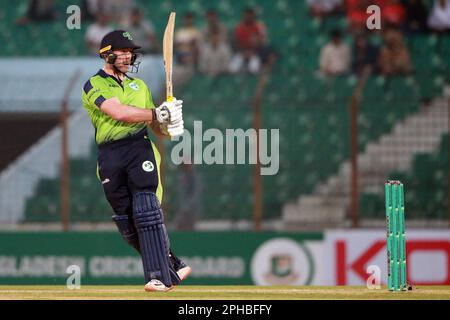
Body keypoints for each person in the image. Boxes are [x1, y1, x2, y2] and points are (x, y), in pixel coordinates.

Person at [81, 30, 191, 292]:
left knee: (145, 209)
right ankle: (173, 264)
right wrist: (156, 112)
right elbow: (117, 112)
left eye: (131, 52)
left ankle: (155, 276)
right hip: (108, 154)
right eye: (124, 51)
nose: (129, 56)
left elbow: (155, 125)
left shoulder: (139, 86)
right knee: (126, 221)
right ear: (107, 53)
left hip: (138, 148)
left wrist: (170, 123)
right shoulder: (93, 85)